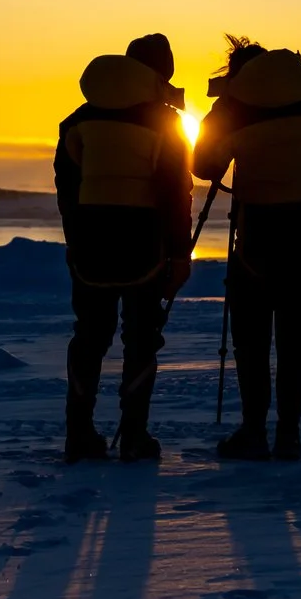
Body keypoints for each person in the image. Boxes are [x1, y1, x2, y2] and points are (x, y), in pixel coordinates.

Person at [192, 36, 301, 462]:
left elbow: (203, 166)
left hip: (257, 240)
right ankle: (289, 436)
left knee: (252, 341)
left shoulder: (231, 110)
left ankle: (254, 431)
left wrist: (224, 119)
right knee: (294, 339)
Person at [54, 33, 194, 463]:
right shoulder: (165, 123)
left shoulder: (78, 119)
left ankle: (79, 436)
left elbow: (67, 187)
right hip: (143, 244)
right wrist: (178, 254)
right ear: (161, 73)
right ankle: (134, 437)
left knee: (89, 339)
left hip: (91, 241)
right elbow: (176, 193)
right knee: (141, 341)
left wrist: (75, 240)